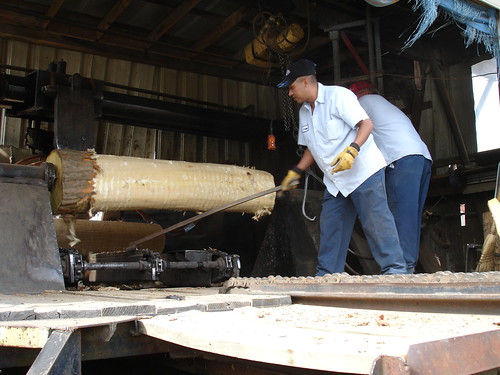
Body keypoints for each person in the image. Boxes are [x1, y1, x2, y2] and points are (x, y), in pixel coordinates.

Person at [278, 59, 407, 275]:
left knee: (376, 225)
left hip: (364, 172)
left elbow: (366, 124)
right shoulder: (303, 113)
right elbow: (312, 147)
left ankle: (396, 272)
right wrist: (297, 172)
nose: (290, 94)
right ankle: (327, 276)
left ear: (305, 82)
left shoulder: (338, 96)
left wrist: (353, 149)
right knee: (331, 229)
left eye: (291, 87)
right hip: (336, 181)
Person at [350, 81, 432, 274]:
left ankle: (400, 271)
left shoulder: (363, 104)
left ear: (358, 95)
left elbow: (353, 135)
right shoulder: (388, 106)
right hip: (422, 158)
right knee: (411, 217)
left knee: (399, 217)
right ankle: (408, 266)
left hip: (400, 159)